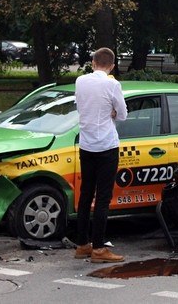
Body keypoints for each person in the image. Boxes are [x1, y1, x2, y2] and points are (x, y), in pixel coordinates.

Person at [73, 47, 128, 263]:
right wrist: (112, 112)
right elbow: (122, 114)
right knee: (103, 197)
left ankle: (82, 244)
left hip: (86, 145)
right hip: (106, 145)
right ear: (112, 66)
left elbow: (80, 106)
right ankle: (98, 248)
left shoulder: (80, 82)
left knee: (86, 194)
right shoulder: (112, 84)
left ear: (93, 63)